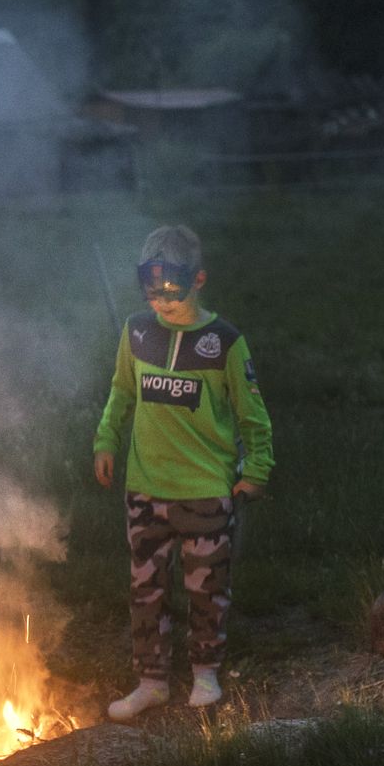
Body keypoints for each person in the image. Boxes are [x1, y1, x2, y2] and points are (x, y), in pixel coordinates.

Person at [91, 223, 275, 718]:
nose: (161, 305)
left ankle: (205, 673)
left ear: (198, 280)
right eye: (152, 294)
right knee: (146, 590)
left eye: (171, 294)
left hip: (204, 491)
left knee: (206, 588)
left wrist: (256, 468)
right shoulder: (136, 333)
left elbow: (252, 414)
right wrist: (107, 439)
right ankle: (151, 680)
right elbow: (121, 392)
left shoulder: (226, 343)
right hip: (145, 490)